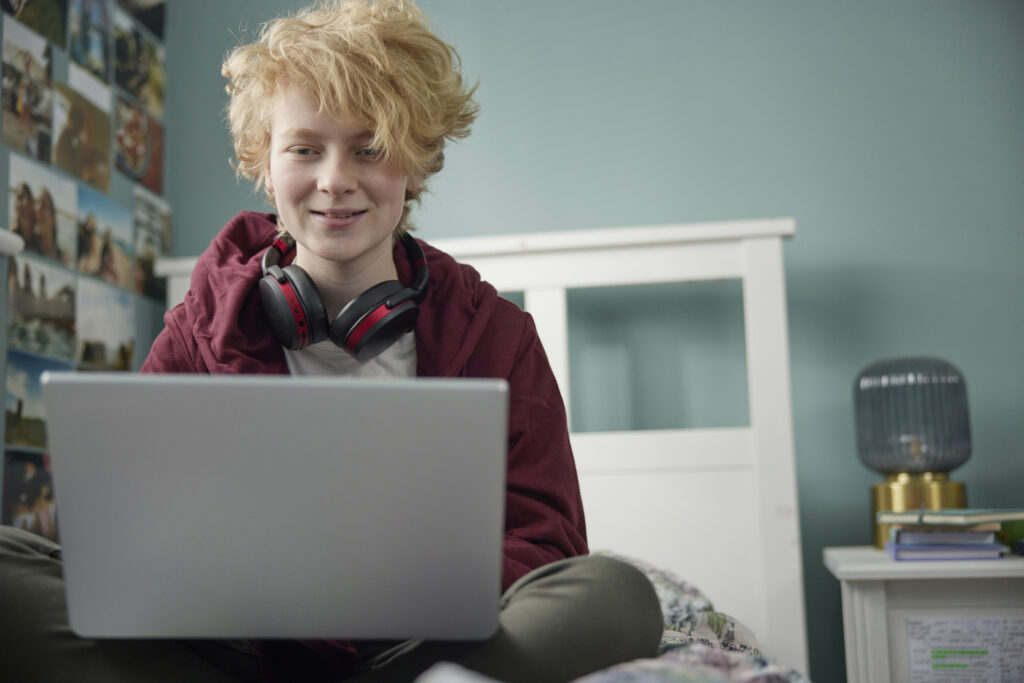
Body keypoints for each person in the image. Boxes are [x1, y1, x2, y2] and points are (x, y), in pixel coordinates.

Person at [0, 2, 663, 681]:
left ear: (417, 161)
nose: (334, 179)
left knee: (615, 595)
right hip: (240, 650)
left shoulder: (500, 337)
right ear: (264, 162)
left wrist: (386, 581)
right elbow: (128, 526)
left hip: (419, 649)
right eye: (305, 149)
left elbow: (548, 544)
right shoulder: (200, 322)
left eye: (369, 148)